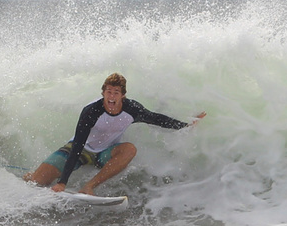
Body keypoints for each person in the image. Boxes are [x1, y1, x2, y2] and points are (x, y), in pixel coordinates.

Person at [23, 73, 205, 196]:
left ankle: (89, 186)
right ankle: (32, 174)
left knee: (130, 149)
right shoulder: (91, 112)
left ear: (122, 95)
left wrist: (185, 126)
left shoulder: (132, 110)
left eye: (116, 93)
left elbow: (155, 119)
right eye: (108, 92)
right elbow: (77, 145)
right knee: (37, 182)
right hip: (81, 149)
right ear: (103, 93)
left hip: (106, 152)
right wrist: (63, 182)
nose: (111, 96)